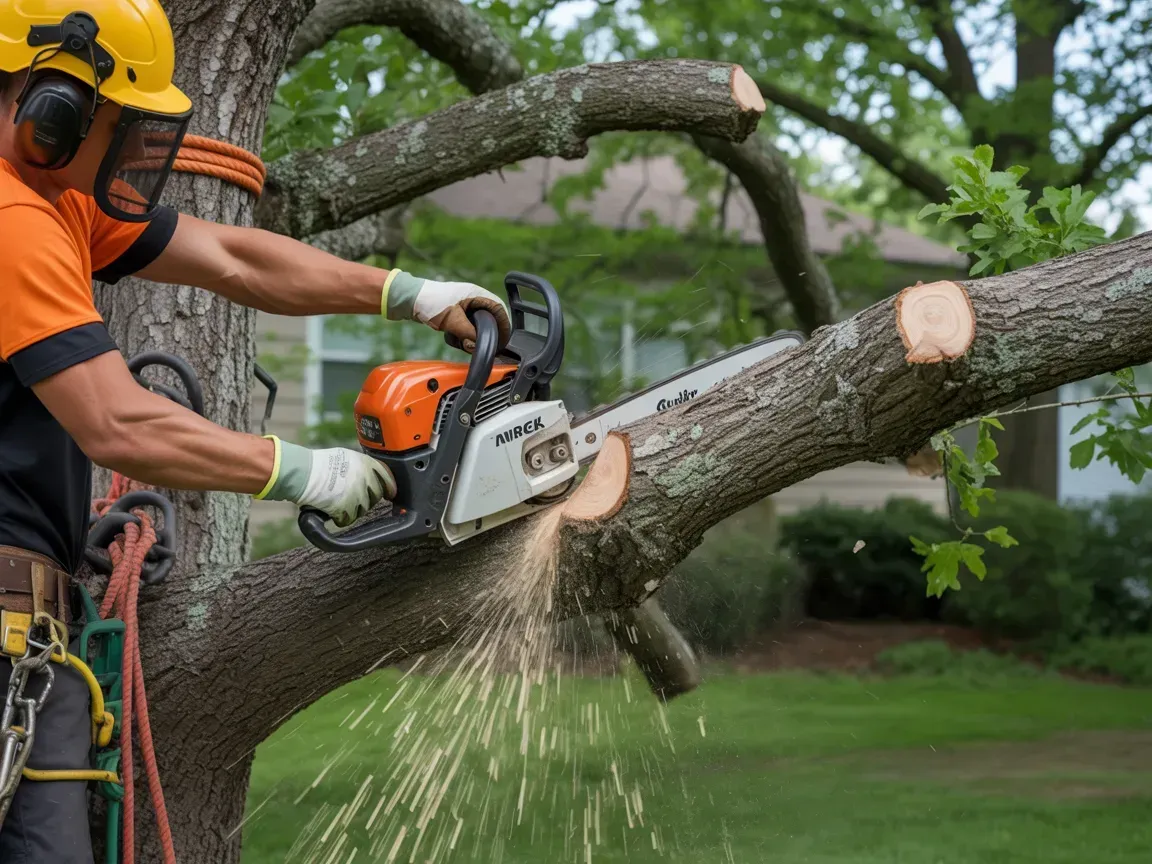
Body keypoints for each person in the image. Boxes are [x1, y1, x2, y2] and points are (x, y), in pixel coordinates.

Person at [0, 2, 511, 861]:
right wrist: (308, 473)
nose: (129, 149)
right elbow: (117, 421)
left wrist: (406, 293)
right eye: (120, 124)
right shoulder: (13, 219)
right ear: (57, 106)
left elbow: (235, 258)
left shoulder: (53, 205)